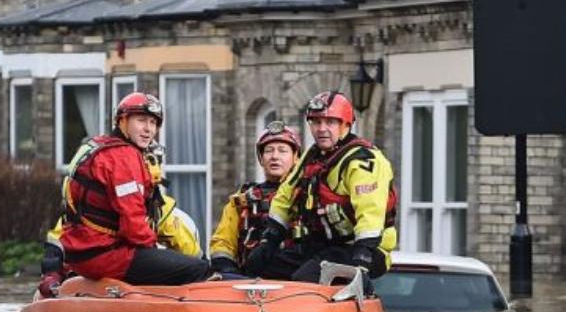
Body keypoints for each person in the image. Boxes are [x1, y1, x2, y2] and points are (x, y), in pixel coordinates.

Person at [37, 92, 214, 294]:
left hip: (82, 254)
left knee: (169, 263)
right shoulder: (124, 158)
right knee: (198, 270)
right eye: (141, 121)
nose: (148, 129)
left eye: (153, 123)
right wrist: (157, 255)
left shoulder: (98, 147)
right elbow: (134, 225)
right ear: (122, 121)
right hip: (106, 255)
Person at [245, 90, 398, 285]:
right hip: (323, 245)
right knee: (263, 267)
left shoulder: (364, 161)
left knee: (306, 278)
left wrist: (362, 259)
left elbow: (370, 213)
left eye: (330, 122)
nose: (322, 129)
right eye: (316, 122)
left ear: (346, 125)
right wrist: (269, 240)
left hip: (362, 249)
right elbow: (285, 196)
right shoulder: (313, 156)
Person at [208, 121, 303, 278]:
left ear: (295, 157)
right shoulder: (244, 197)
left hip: (294, 279)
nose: (274, 156)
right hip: (248, 282)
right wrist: (227, 269)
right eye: (268, 151)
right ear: (261, 158)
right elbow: (223, 242)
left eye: (282, 151)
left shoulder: (307, 194)